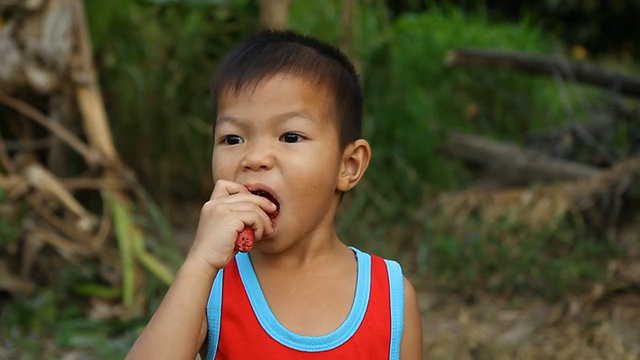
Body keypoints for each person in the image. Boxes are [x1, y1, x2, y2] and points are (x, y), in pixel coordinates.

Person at [126, 29, 423, 359]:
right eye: (232, 139)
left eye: (291, 136)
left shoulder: (391, 299)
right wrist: (199, 263)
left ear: (348, 165)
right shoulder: (212, 289)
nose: (254, 158)